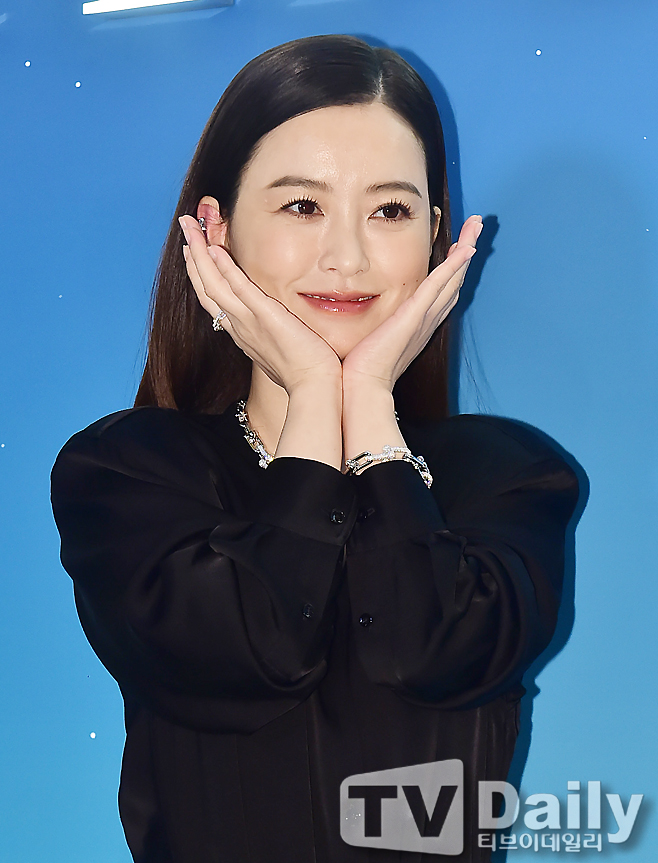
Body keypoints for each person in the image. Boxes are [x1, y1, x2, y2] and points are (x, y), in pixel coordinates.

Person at [50, 34, 584, 863]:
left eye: (390, 211)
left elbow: (430, 647)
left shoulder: (511, 477)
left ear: (436, 236)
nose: (348, 256)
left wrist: (364, 402)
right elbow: (251, 647)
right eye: (302, 206)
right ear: (217, 227)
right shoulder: (127, 474)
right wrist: (310, 392)